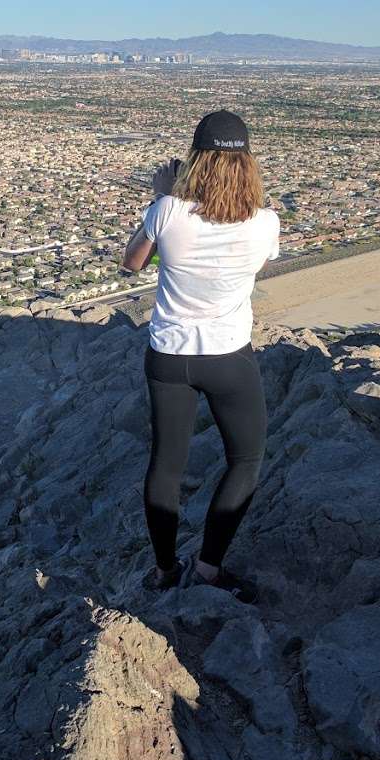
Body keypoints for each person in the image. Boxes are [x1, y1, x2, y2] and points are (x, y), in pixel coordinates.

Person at [122, 111, 279, 595]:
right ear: (248, 164)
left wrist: (163, 195)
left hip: (168, 354)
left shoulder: (167, 211)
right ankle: (209, 567)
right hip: (229, 355)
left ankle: (165, 570)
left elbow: (131, 264)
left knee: (166, 465)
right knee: (246, 459)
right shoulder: (266, 223)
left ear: (194, 160)